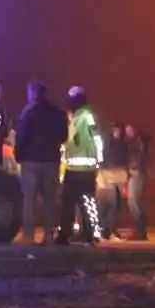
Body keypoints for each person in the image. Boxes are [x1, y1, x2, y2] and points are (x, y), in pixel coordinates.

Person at [14, 81, 67, 244]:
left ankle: (28, 235)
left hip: (31, 160)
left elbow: (21, 136)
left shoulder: (28, 113)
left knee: (29, 199)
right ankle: (48, 236)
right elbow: (63, 136)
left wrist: (19, 155)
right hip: (51, 160)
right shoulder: (58, 114)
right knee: (50, 200)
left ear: (33, 94)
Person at [55, 85, 101, 246]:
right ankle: (65, 235)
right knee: (69, 203)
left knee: (86, 202)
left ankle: (91, 233)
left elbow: (96, 138)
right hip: (73, 168)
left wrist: (98, 160)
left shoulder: (87, 116)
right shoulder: (75, 117)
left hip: (85, 169)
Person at [96, 123, 129, 240]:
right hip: (108, 176)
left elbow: (124, 161)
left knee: (115, 205)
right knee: (110, 205)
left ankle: (109, 230)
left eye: (119, 131)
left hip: (117, 176)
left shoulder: (122, 145)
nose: (117, 133)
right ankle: (108, 231)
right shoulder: (109, 144)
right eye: (115, 130)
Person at [124, 122, 150, 242]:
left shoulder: (138, 142)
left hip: (136, 174)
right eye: (127, 130)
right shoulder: (134, 142)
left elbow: (140, 156)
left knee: (135, 203)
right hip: (135, 173)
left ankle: (140, 231)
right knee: (133, 203)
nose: (128, 132)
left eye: (129, 130)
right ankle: (139, 230)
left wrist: (135, 168)